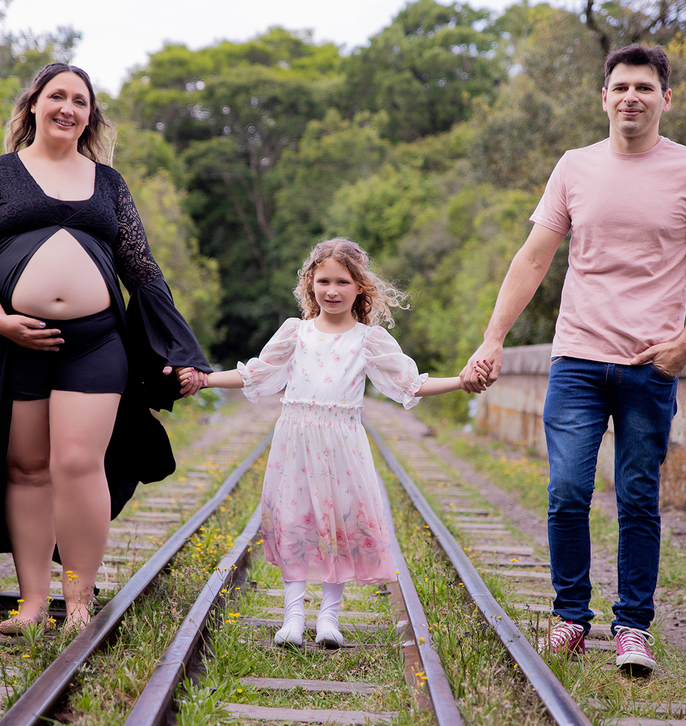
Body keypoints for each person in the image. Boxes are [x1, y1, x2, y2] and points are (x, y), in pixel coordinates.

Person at [0, 62, 211, 637]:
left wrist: (181, 348)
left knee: (77, 463)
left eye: (80, 100)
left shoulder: (109, 183)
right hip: (15, 343)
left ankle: (77, 604)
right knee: (27, 470)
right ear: (33, 106)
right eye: (57, 96)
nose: (68, 107)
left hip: (95, 341)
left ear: (90, 115)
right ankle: (30, 604)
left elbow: (142, 270)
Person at [460, 44, 686, 672]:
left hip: (649, 366)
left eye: (644, 87)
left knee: (638, 496)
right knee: (566, 491)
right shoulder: (574, 167)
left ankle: (633, 627)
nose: (630, 97)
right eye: (620, 87)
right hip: (578, 359)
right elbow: (533, 258)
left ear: (667, 97)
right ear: (604, 97)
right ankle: (570, 618)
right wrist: (493, 337)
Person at [180, 238, 485, 648]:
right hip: (295, 440)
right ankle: (292, 616)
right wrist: (205, 378)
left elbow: (409, 383)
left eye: (343, 281)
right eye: (323, 280)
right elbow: (256, 374)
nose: (332, 290)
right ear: (310, 283)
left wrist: (461, 381)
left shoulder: (367, 339)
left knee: (336, 525)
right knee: (293, 520)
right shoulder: (296, 332)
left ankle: (328, 617)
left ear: (360, 287)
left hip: (342, 444)